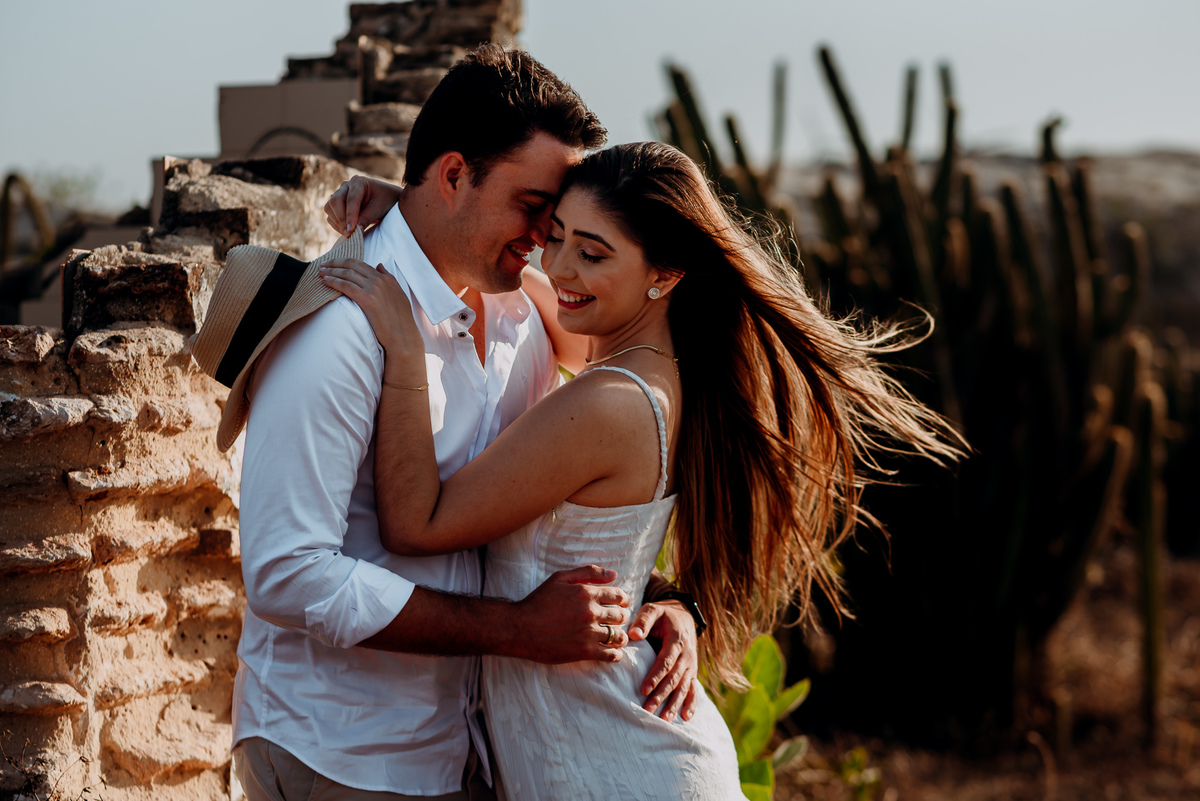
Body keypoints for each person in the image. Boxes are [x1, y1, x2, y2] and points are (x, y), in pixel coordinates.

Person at [318, 141, 964, 799]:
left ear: (664, 274)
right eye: (556, 236)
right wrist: (419, 212)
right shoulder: (648, 366)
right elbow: (537, 292)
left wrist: (402, 348)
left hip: (618, 762)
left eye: (593, 253)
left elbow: (416, 522)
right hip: (608, 745)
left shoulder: (609, 402)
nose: (562, 266)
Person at [230, 48, 700, 801]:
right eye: (534, 206)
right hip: (343, 753)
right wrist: (514, 628)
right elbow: (287, 573)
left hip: (469, 752)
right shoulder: (342, 330)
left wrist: (662, 598)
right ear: (453, 175)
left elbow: (584, 476)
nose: (546, 235)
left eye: (560, 216)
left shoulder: (526, 309)